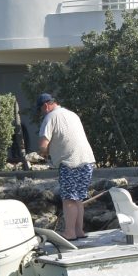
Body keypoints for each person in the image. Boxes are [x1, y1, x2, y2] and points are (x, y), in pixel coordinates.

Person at [36, 93, 95, 241]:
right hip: (87, 160)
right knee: (78, 199)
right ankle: (79, 231)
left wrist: (43, 154)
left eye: (41, 110)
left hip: (70, 162)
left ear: (46, 106)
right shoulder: (72, 114)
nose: (42, 113)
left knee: (69, 199)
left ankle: (69, 233)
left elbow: (43, 144)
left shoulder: (50, 117)